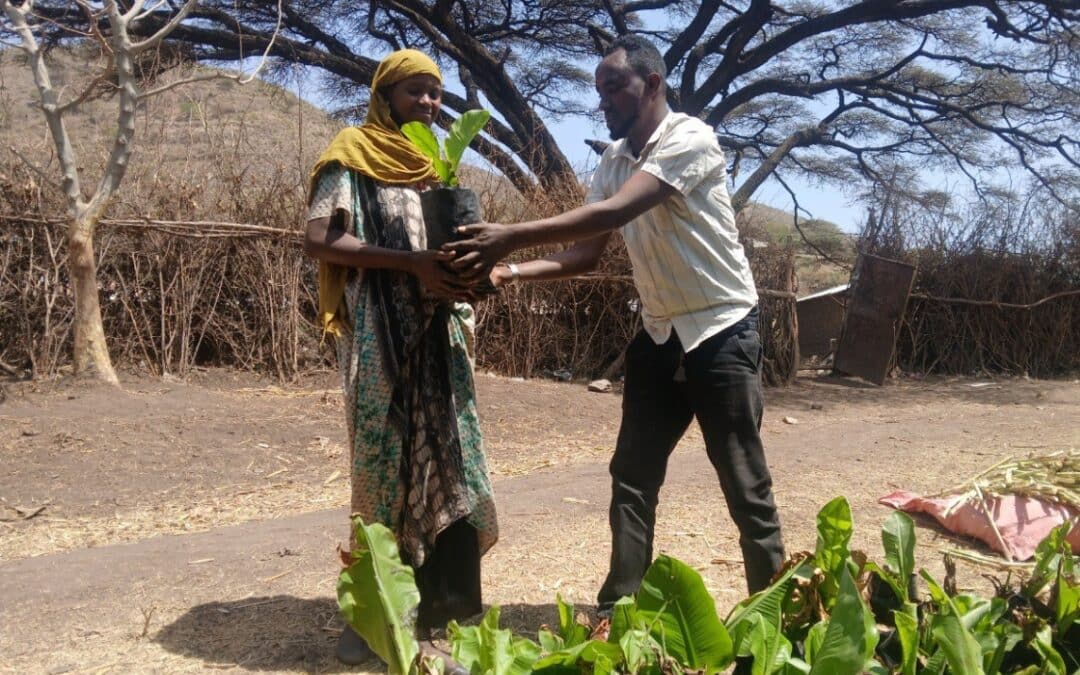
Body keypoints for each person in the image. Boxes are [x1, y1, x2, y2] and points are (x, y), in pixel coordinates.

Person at [449, 35, 784, 611]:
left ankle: (778, 618)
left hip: (721, 329)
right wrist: (510, 271)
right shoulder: (613, 160)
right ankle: (620, 610)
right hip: (659, 333)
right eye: (598, 91)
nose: (602, 101)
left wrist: (511, 233)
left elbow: (620, 210)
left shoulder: (690, 138)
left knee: (744, 485)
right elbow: (585, 252)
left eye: (613, 88)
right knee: (631, 476)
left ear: (651, 85)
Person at [303, 48, 497, 666]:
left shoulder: (436, 167)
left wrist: (470, 278)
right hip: (379, 334)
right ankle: (373, 615)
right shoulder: (352, 153)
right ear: (386, 96)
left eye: (435, 95)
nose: (429, 105)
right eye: (415, 93)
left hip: (440, 340)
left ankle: (450, 609)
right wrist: (409, 264)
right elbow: (319, 237)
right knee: (381, 466)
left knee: (454, 460)